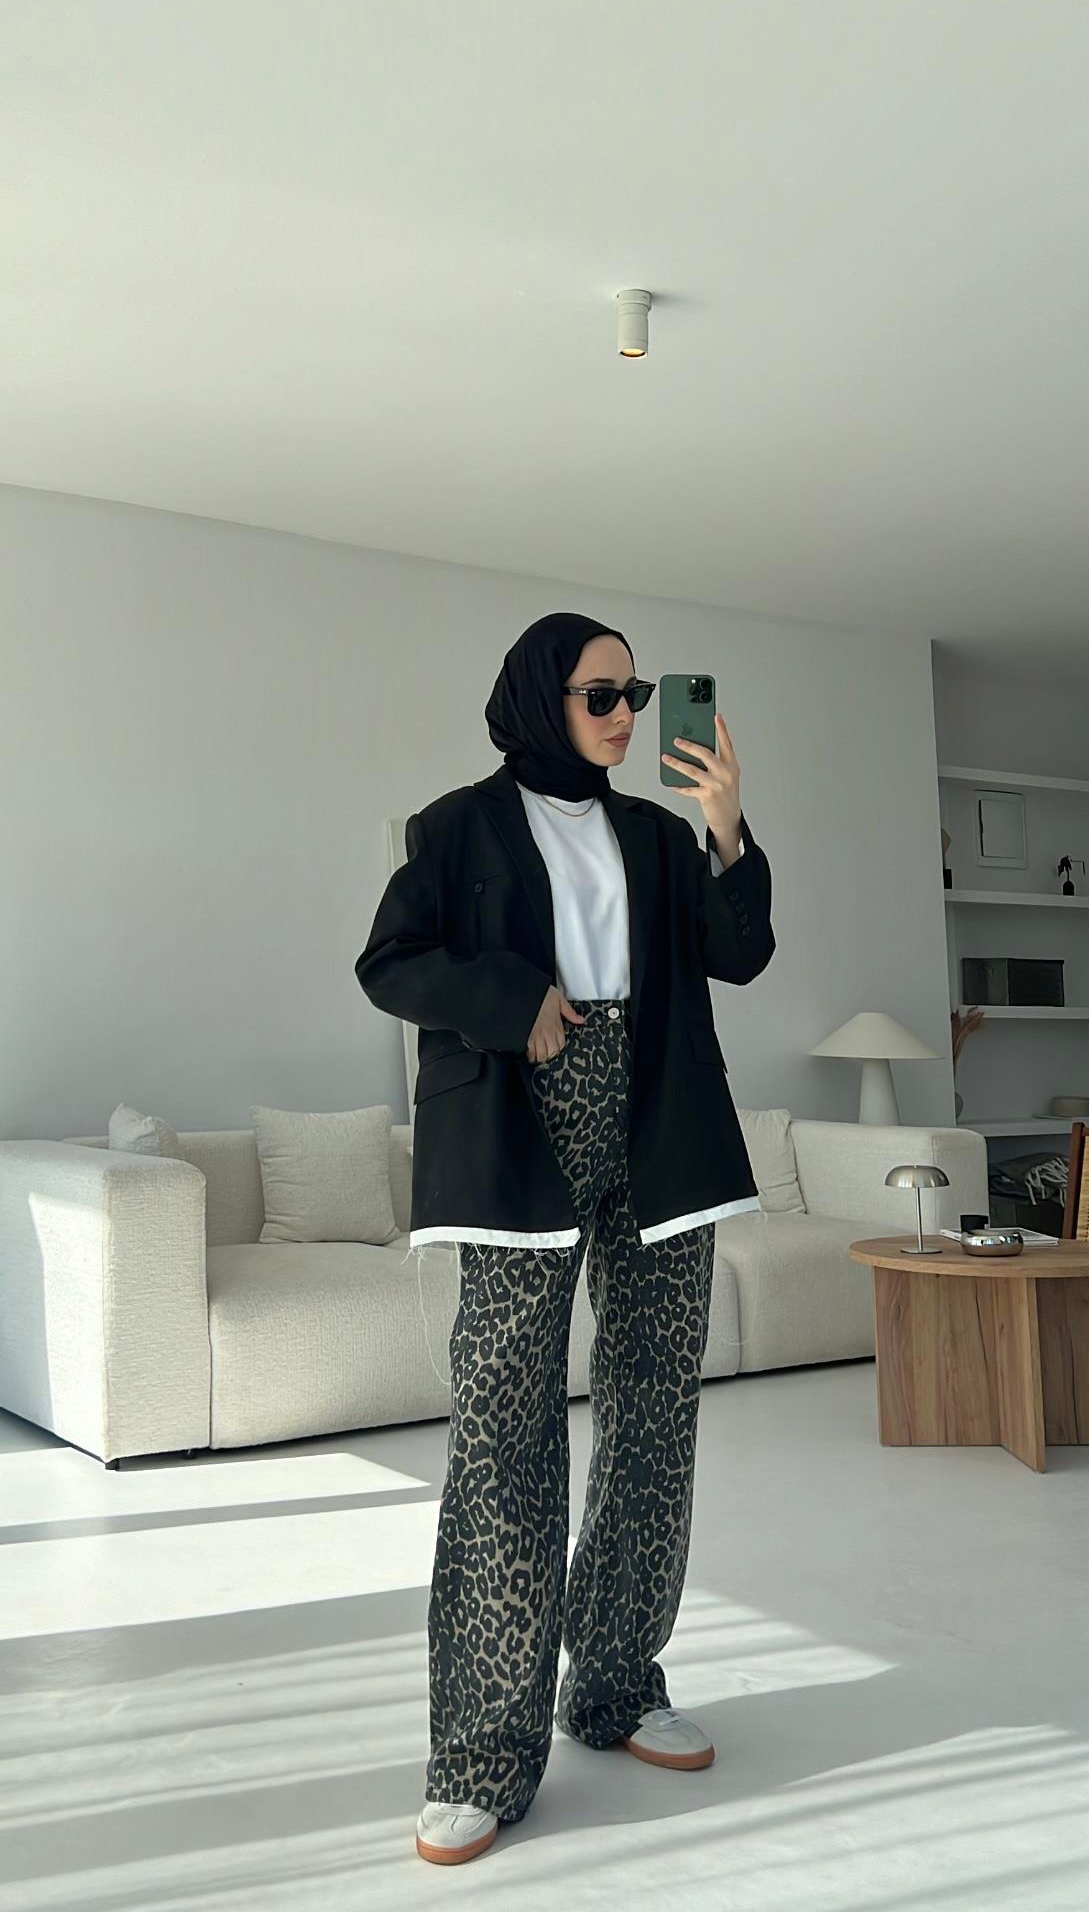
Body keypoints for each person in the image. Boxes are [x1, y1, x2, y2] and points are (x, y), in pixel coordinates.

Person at [355, 611, 775, 1865]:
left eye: (635, 694)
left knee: (654, 1412)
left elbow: (742, 953)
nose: (626, 715)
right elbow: (390, 961)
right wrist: (511, 1000)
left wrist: (727, 827)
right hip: (519, 1119)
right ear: (543, 698)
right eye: (603, 694)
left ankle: (617, 1683)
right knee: (504, 1427)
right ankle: (482, 1754)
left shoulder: (656, 835)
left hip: (657, 1117)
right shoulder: (456, 827)